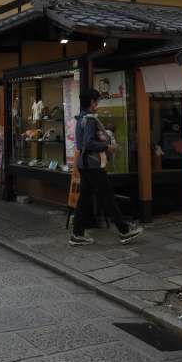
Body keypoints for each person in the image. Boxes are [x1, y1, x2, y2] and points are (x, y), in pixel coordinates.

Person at [71, 88, 143, 246]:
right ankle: (124, 231)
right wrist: (106, 146)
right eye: (97, 101)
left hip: (83, 164)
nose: (98, 104)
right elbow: (88, 143)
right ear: (92, 102)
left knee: (84, 199)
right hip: (92, 164)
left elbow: (80, 143)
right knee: (107, 196)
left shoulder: (80, 118)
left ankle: (77, 234)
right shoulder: (89, 119)